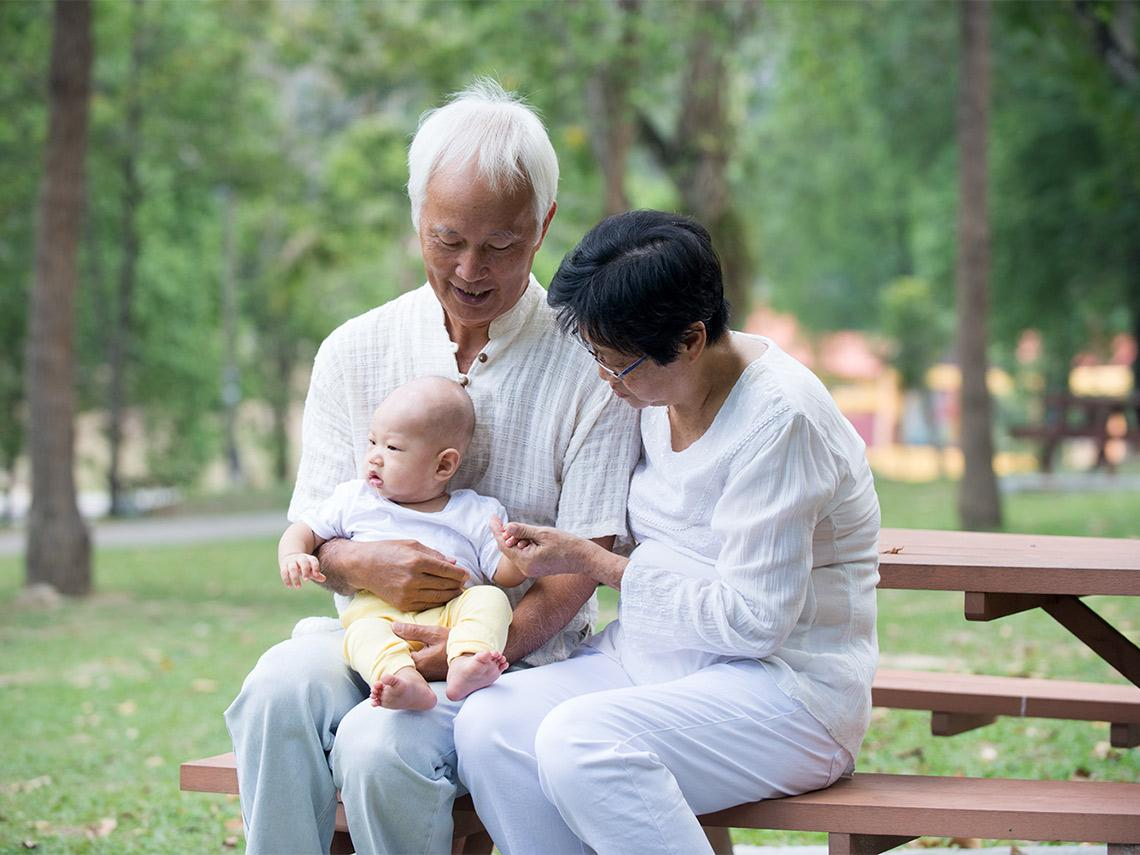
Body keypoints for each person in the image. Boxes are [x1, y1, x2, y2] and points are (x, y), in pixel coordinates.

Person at [225, 80, 640, 855]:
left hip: (509, 660)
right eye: (448, 239)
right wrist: (359, 559)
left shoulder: (593, 366)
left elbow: (575, 574)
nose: (471, 269)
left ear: (544, 224)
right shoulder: (354, 349)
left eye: (503, 244)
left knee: (379, 747)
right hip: (365, 631)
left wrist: (467, 649)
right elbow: (316, 527)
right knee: (273, 691)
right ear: (417, 217)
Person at [454, 210, 881, 854]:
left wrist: (598, 566)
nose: (606, 380)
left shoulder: (779, 422)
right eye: (595, 357)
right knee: (490, 723)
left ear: (689, 339)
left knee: (581, 743)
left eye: (619, 365)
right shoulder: (657, 396)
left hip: (786, 693)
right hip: (657, 665)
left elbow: (754, 623)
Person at [278, 376, 527, 711]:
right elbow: (304, 530)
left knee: (491, 598)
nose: (375, 458)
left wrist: (516, 554)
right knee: (360, 633)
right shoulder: (355, 500)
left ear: (444, 465)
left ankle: (467, 660)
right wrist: (295, 554)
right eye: (372, 442)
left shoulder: (475, 512)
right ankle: (401, 679)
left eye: (392, 448)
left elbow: (505, 576)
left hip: (449, 618)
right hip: (380, 617)